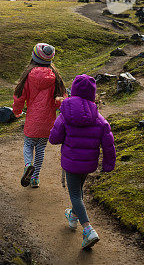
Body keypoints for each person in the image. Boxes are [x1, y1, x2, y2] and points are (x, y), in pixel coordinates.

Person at [49, 74, 116, 250]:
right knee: (78, 191)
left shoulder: (65, 114)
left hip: (71, 163)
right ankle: (72, 217)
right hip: (88, 163)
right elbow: (109, 144)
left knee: (76, 195)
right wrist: (108, 164)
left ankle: (88, 230)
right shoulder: (99, 119)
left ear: (74, 91)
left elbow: (55, 139)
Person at [12, 43, 65, 188]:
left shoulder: (28, 75)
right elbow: (61, 100)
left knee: (28, 144)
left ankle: (28, 165)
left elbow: (19, 96)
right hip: (48, 121)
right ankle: (35, 178)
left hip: (32, 120)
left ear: (34, 58)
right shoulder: (55, 77)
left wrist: (16, 111)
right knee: (41, 149)